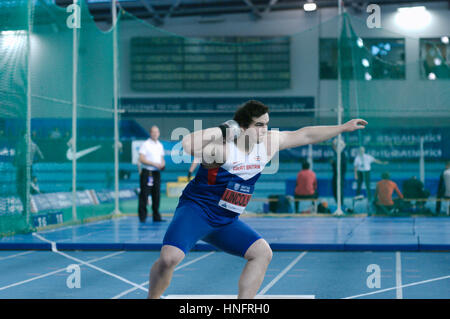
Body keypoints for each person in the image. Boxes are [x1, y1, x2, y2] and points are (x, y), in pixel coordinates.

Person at [147, 100, 367, 299]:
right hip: (197, 212)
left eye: (267, 124)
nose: (265, 130)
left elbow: (306, 135)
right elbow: (187, 145)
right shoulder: (223, 149)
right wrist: (225, 129)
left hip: (227, 220)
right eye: (259, 125)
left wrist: (342, 128)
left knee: (262, 253)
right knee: (169, 259)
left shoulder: (268, 143)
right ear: (242, 127)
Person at [138, 126, 165, 223]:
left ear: (159, 133)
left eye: (156, 132)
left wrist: (162, 164)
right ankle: (142, 216)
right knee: (144, 194)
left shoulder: (160, 145)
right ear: (150, 133)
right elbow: (141, 159)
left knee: (156, 195)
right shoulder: (145, 144)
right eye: (153, 132)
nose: (155, 134)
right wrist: (154, 164)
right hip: (147, 172)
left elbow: (161, 158)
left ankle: (156, 216)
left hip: (156, 173)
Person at [330, 137, 347, 206]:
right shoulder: (336, 154)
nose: (333, 147)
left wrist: (333, 163)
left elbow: (342, 167)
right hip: (336, 174)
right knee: (335, 188)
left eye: (334, 145)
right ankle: (338, 203)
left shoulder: (342, 154)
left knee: (339, 188)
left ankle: (341, 204)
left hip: (340, 175)